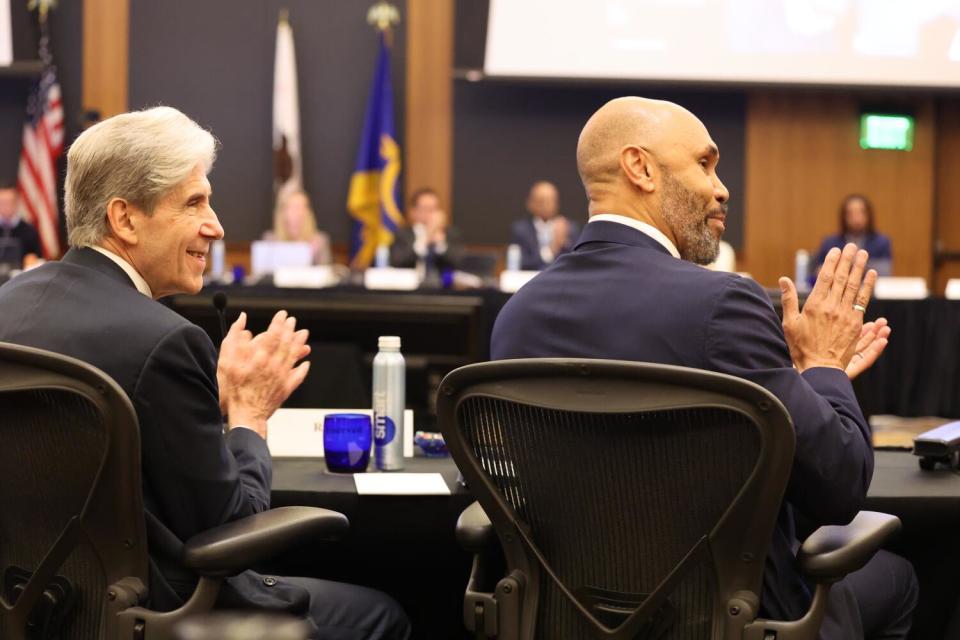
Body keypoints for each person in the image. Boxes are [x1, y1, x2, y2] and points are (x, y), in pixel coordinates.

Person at [491, 97, 917, 639]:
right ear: (639, 167)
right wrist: (824, 370)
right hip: (729, 616)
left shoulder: (516, 317)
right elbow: (839, 487)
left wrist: (801, 389)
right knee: (898, 577)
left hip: (568, 614)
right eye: (704, 164)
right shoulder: (723, 305)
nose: (722, 188)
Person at [0, 106, 410, 640]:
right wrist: (249, 414)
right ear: (125, 219)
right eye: (195, 202)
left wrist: (196, 401)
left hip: (30, 601)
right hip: (159, 613)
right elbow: (230, 525)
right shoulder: (164, 341)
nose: (215, 226)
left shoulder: (9, 302)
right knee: (384, 614)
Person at [509, 180, 580, 270]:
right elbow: (522, 263)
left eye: (551, 201)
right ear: (530, 204)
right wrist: (552, 249)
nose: (546, 205)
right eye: (541, 201)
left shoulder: (569, 228)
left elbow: (575, 261)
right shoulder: (521, 230)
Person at [390, 187, 463, 273]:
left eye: (434, 208)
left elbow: (459, 263)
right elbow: (397, 262)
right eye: (425, 208)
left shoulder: (451, 234)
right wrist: (426, 238)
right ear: (414, 212)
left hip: (444, 285)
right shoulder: (403, 234)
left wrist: (441, 244)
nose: (430, 213)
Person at [816, 194, 892, 276]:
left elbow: (885, 271)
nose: (856, 219)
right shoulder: (830, 242)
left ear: (869, 215)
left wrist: (855, 265)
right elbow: (818, 270)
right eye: (850, 214)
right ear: (844, 217)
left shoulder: (881, 242)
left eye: (861, 212)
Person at [264, 188, 332, 265]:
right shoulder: (270, 240)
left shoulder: (320, 241)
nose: (296, 212)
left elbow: (326, 273)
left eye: (300, 207)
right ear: (282, 211)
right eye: (290, 207)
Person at [0, 180, 42, 269]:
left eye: (8, 202)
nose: (5, 207)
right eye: (2, 203)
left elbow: (37, 260)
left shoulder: (29, 231)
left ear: (16, 203)